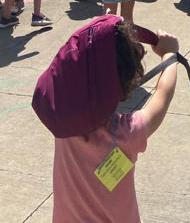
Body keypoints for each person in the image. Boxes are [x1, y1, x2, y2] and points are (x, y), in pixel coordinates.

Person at [35, 17, 180, 223]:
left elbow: (73, 77)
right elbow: (163, 94)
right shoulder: (126, 133)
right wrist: (170, 55)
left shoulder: (64, 126)